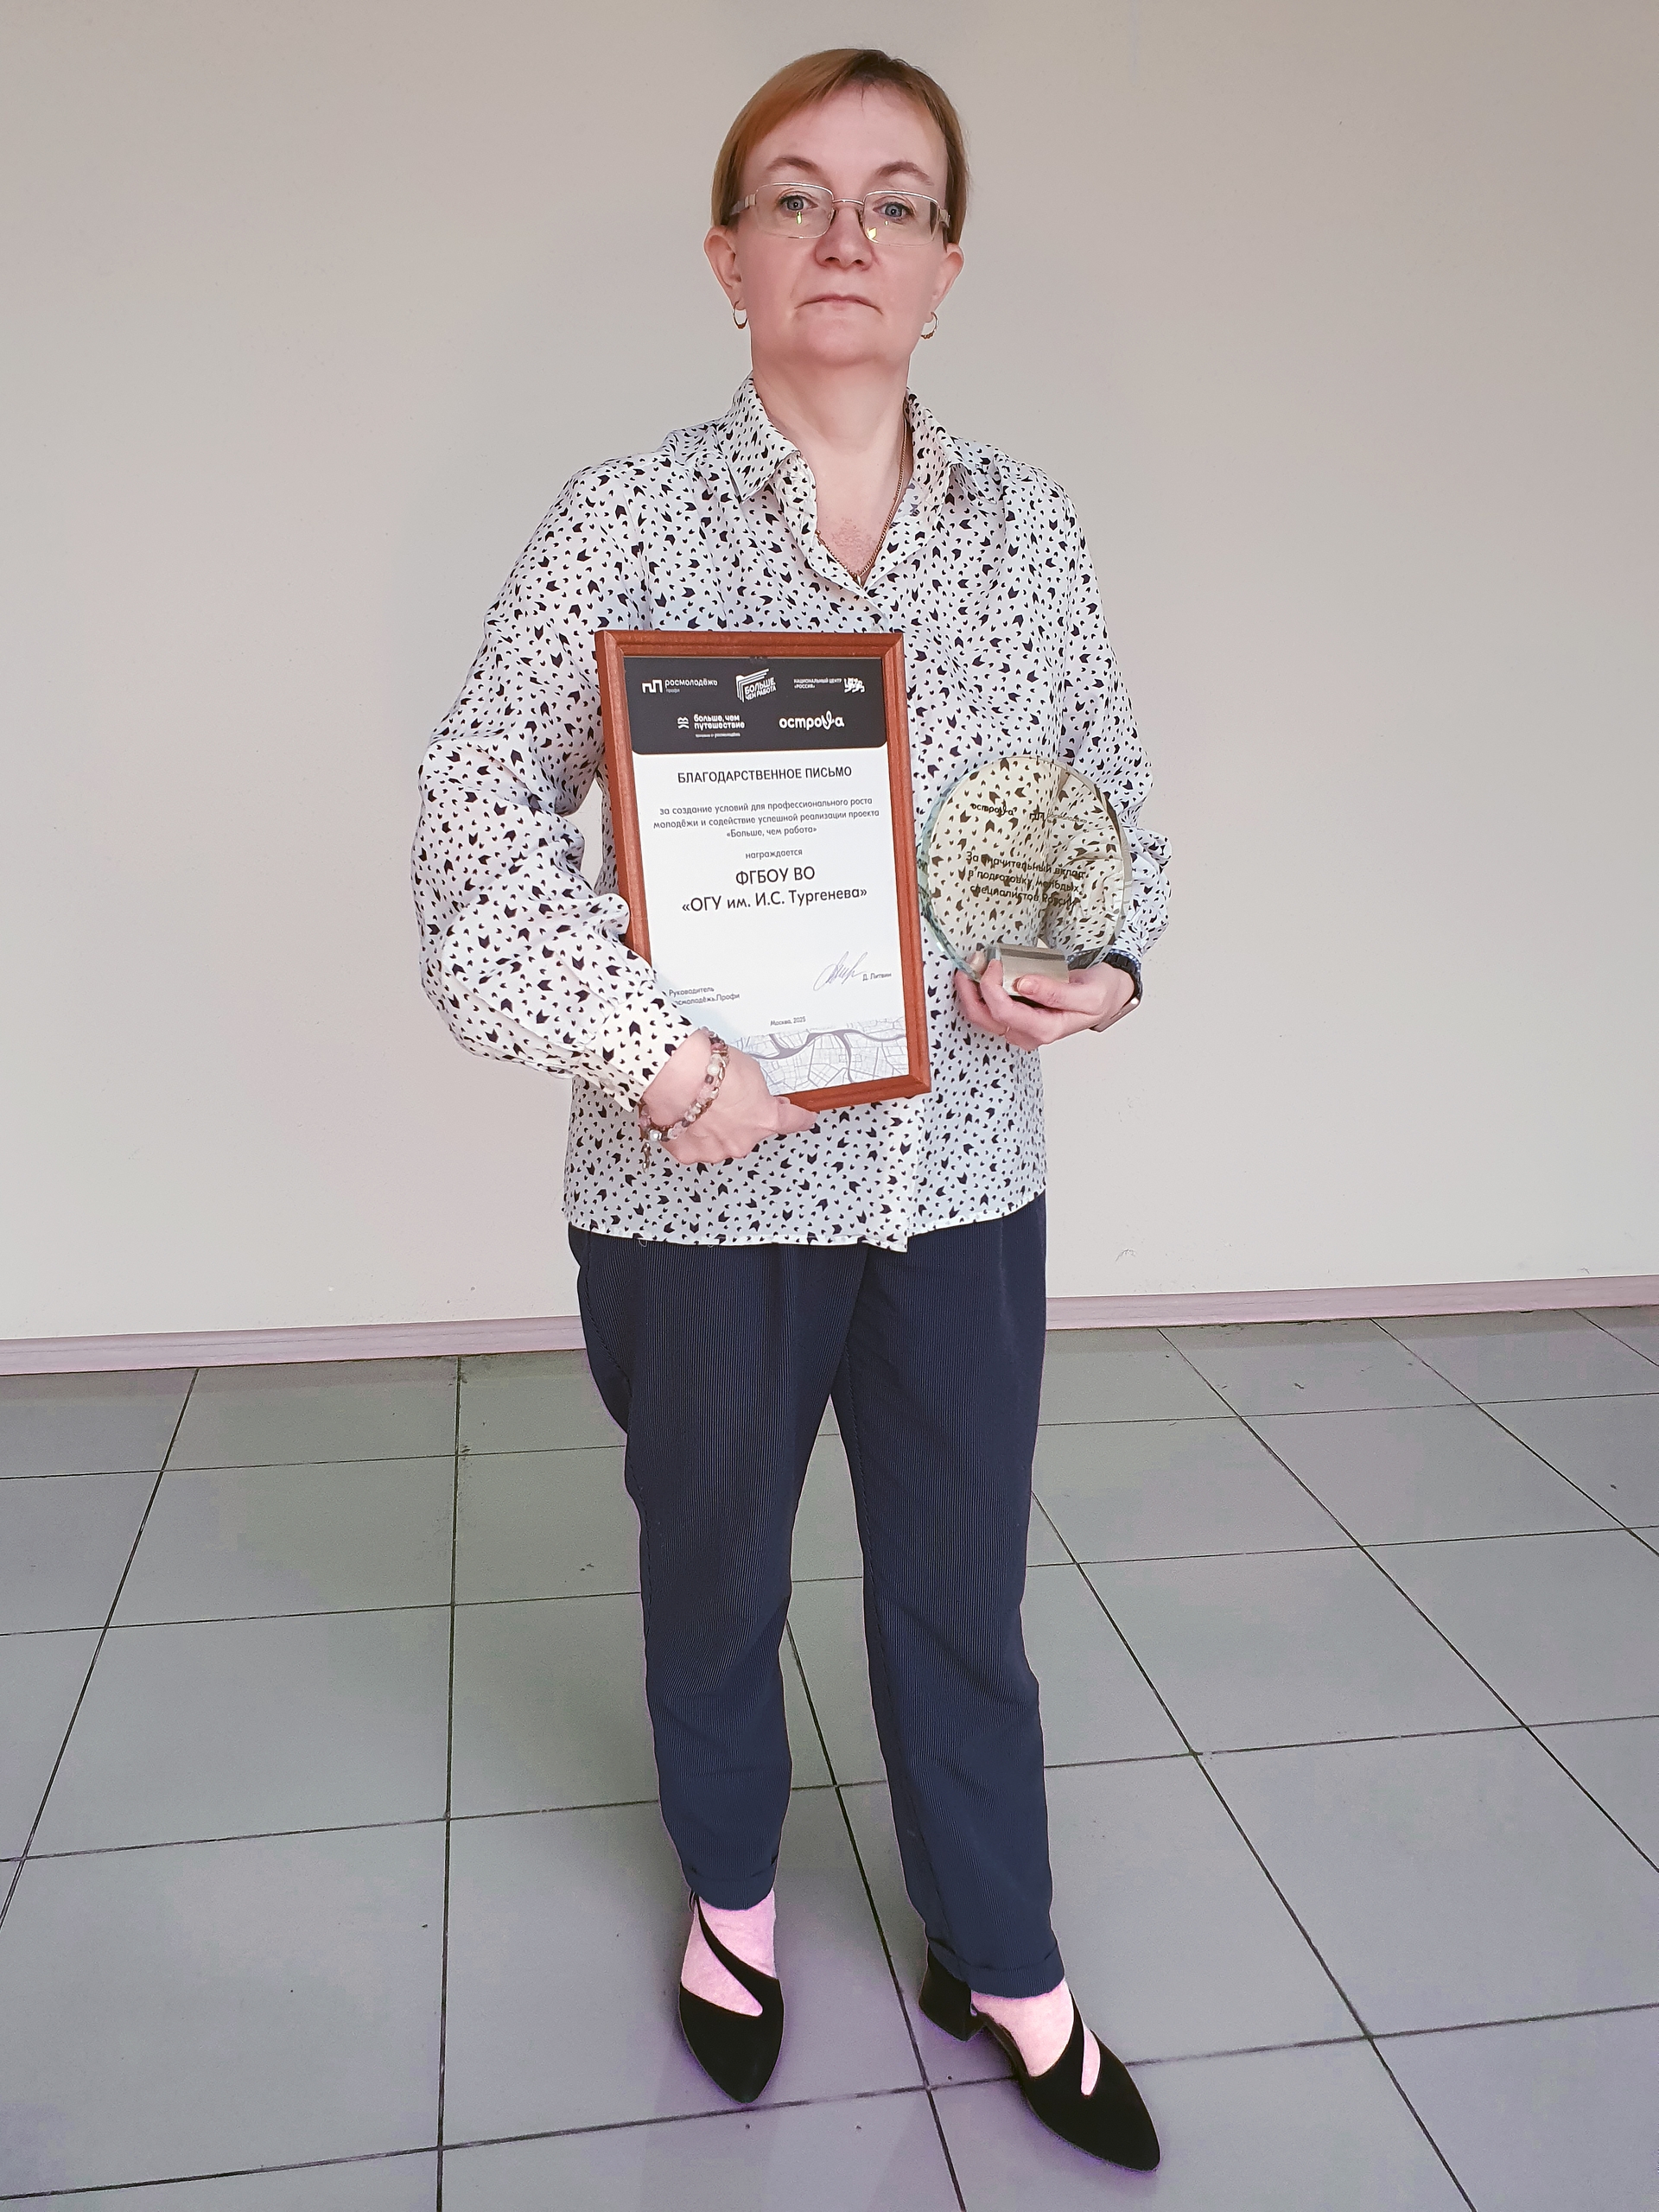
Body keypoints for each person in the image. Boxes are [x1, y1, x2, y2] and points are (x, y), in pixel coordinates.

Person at [413, 47, 1169, 2174]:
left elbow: (1101, 820)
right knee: (714, 1575)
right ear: (729, 254)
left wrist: (1092, 960)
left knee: (959, 1591)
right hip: (698, 1194)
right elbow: (472, 829)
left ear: (945, 266)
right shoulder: (623, 522)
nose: (850, 236)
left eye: (897, 201)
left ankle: (1001, 1953)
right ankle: (735, 1905)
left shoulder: (1029, 534)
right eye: (800, 197)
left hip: (959, 1176)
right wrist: (659, 1050)